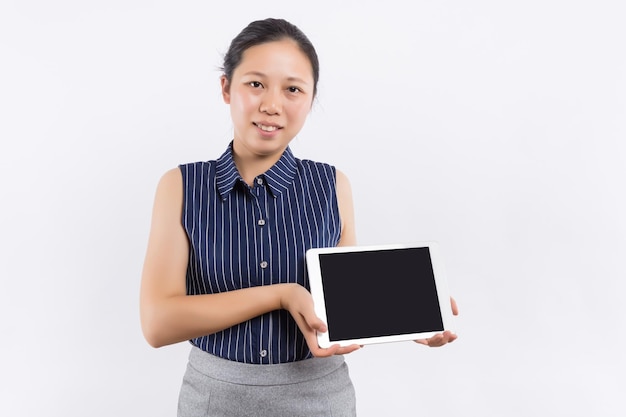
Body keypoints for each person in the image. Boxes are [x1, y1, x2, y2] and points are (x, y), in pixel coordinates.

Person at [140, 17, 458, 417]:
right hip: (214, 402)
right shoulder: (181, 186)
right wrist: (281, 294)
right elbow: (157, 323)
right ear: (226, 87)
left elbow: (345, 301)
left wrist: (410, 310)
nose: (272, 104)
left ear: (310, 99)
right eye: (255, 83)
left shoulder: (331, 184)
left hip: (320, 400)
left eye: (293, 89)